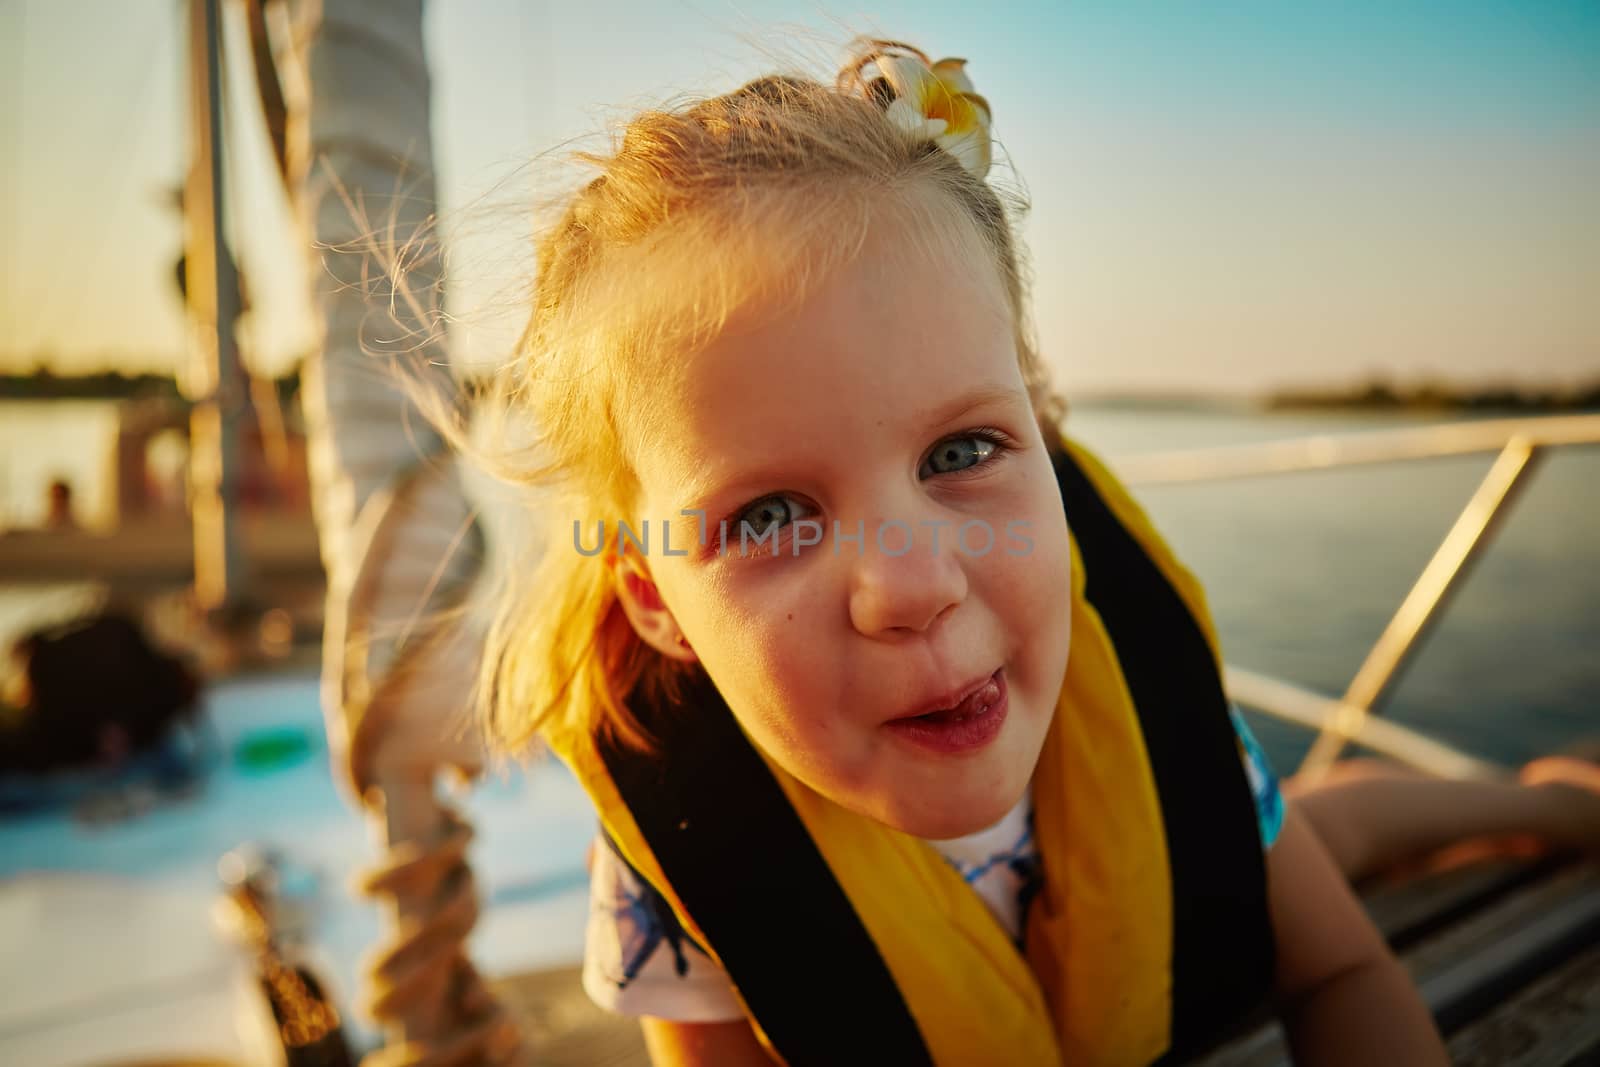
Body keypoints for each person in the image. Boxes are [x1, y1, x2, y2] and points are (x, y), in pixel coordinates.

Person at [449, 39, 1562, 1065]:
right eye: (768, 516)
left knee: (1330, 827)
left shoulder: (1149, 693)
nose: (915, 585)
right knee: (1324, 823)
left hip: (1186, 858)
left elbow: (1345, 966)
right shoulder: (683, 865)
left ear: (1046, 431)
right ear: (655, 597)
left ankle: (1551, 801)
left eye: (963, 447)